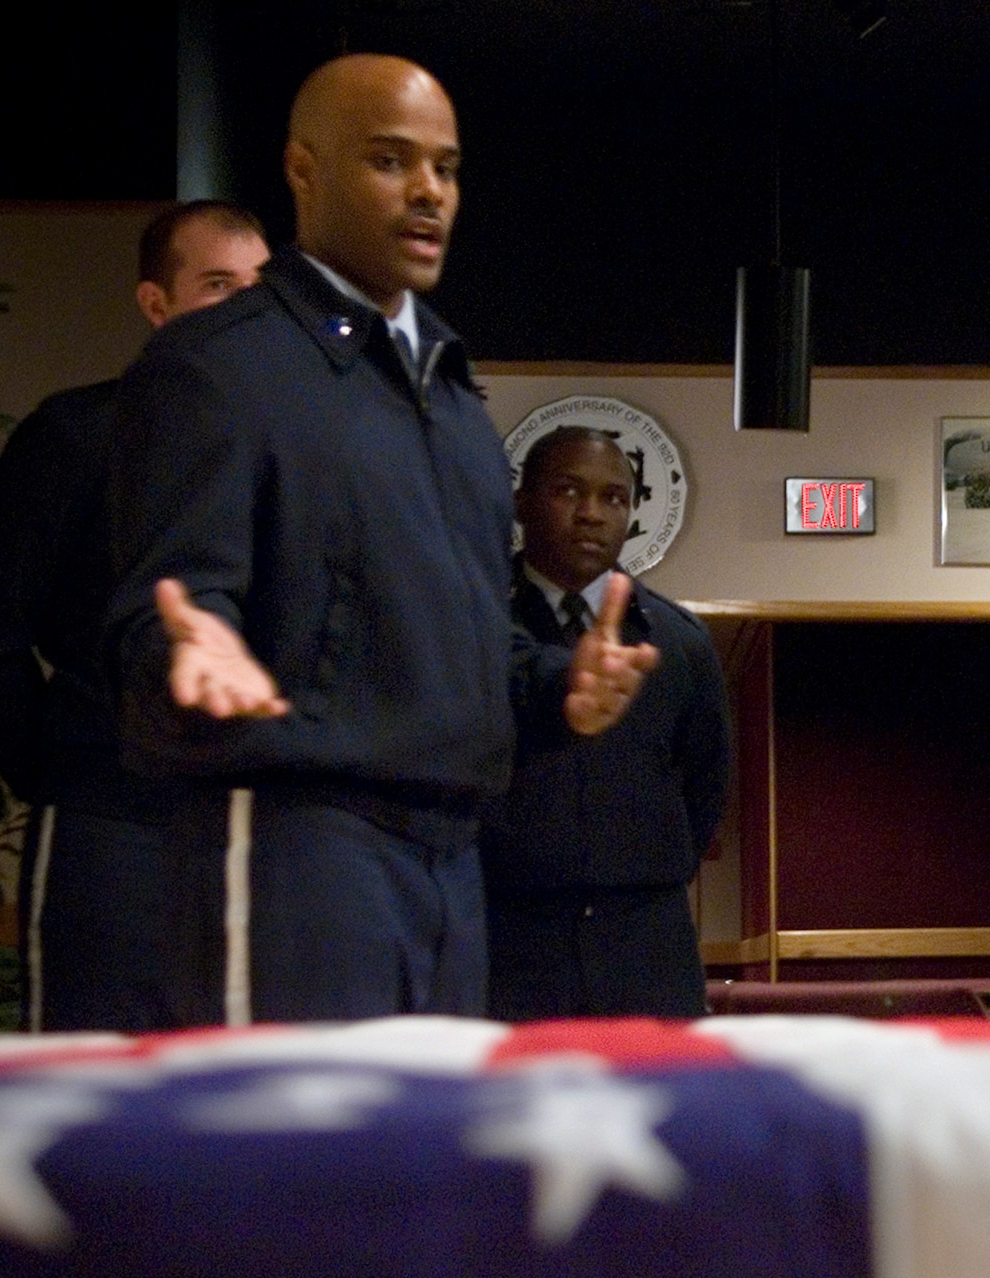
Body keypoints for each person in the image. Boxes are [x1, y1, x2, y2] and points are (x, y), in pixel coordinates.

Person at [103, 55, 655, 1026]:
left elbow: (468, 652)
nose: (428, 192)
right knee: (288, 1168)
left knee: (419, 1169)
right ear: (303, 172)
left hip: (454, 859)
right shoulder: (215, 368)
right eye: (391, 161)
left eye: (445, 167)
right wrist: (186, 650)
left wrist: (556, 690)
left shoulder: (453, 400)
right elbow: (162, 623)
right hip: (295, 848)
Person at [0, 201, 269, 1032]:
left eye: (259, 289)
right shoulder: (77, 435)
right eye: (217, 285)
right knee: (95, 1072)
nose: (244, 310)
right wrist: (65, 768)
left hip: (269, 825)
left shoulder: (299, 451)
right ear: (156, 305)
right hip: (109, 822)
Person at [482, 427, 730, 1019]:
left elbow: (704, 790)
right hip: (503, 939)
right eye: (568, 491)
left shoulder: (679, 641)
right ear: (522, 502)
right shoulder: (472, 624)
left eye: (614, 498)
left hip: (645, 944)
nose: (591, 514)